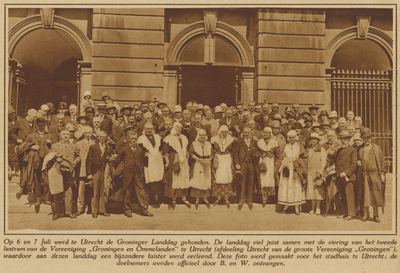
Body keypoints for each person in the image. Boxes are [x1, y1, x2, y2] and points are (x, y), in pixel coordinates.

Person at [44, 129, 80, 220]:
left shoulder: (74, 146)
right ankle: (56, 212)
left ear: (70, 136)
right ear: (60, 136)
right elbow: (49, 157)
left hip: (69, 171)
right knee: (57, 192)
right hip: (58, 172)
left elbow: (79, 156)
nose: (65, 136)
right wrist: (56, 159)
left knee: (69, 192)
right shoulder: (55, 146)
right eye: (63, 134)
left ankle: (68, 212)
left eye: (67, 134)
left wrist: (76, 160)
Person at [115, 132, 153, 217]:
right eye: (132, 138)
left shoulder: (140, 149)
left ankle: (144, 210)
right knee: (127, 191)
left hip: (137, 173)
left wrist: (146, 154)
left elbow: (143, 161)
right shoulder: (125, 149)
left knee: (141, 191)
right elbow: (118, 160)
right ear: (128, 139)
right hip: (127, 173)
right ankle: (127, 210)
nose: (133, 140)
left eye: (135, 138)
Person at [358, 128, 386, 223]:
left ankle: (376, 215)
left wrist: (382, 174)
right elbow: (357, 159)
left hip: (375, 175)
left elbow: (382, 161)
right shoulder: (360, 149)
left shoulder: (377, 148)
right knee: (366, 195)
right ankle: (366, 214)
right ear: (362, 139)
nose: (366, 140)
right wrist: (358, 162)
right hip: (365, 175)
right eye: (364, 138)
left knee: (375, 195)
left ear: (371, 138)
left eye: (368, 138)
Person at [278, 130, 308, 215]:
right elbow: (283, 156)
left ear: (296, 137)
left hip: (295, 168)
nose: (292, 139)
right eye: (290, 137)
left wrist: (297, 161)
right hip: (287, 168)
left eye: (293, 137)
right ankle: (286, 206)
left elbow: (304, 157)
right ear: (288, 138)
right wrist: (285, 161)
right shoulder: (286, 146)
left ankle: (297, 208)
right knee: (286, 186)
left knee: (296, 186)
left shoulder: (299, 146)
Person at [162, 122, 191, 209]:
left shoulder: (184, 138)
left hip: (183, 160)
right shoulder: (168, 138)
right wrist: (167, 162)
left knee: (183, 177)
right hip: (173, 159)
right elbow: (165, 152)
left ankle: (183, 197)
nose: (179, 129)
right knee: (175, 177)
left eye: (180, 128)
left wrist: (187, 160)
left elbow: (187, 150)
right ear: (174, 128)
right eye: (178, 128)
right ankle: (173, 199)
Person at [25, 117, 53, 206]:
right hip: (36, 162)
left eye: (43, 125)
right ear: (36, 126)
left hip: (48, 162)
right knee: (37, 181)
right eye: (39, 125)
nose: (41, 127)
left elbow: (57, 147)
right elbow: (24, 146)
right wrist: (31, 147)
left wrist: (51, 143)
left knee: (48, 180)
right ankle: (38, 199)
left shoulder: (50, 136)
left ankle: (47, 198)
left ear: (45, 125)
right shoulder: (31, 136)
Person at [86, 131, 114, 218]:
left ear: (106, 138)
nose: (102, 139)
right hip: (95, 171)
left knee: (103, 191)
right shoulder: (93, 147)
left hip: (104, 171)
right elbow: (88, 161)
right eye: (101, 137)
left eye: (104, 137)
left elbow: (109, 157)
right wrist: (89, 173)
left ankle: (102, 210)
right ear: (98, 138)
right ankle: (94, 211)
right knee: (95, 191)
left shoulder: (108, 148)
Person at [137, 123, 165, 207]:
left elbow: (161, 148)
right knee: (148, 178)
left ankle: (156, 198)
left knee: (157, 179)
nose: (149, 130)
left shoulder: (157, 137)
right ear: (144, 129)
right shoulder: (141, 138)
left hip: (157, 160)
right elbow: (140, 150)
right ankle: (148, 198)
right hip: (148, 159)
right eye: (147, 129)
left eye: (150, 129)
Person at [211, 125, 236, 208]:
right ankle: (218, 198)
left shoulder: (230, 140)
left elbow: (233, 151)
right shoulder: (214, 139)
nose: (224, 133)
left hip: (227, 159)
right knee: (218, 177)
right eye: (222, 132)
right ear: (219, 132)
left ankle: (226, 198)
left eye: (225, 132)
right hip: (218, 159)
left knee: (227, 177)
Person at [335, 131, 357, 220]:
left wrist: (346, 173)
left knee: (349, 195)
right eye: (342, 139)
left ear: (348, 140)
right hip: (340, 176)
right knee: (342, 195)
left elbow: (353, 164)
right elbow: (337, 162)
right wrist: (337, 174)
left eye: (345, 139)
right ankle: (345, 213)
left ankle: (351, 214)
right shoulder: (339, 150)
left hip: (348, 177)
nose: (343, 141)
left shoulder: (352, 150)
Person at [189, 129, 213, 209]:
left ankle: (205, 199)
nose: (203, 136)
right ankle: (197, 200)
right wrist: (200, 160)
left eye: (204, 135)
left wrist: (208, 160)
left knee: (205, 179)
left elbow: (212, 154)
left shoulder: (208, 144)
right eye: (201, 135)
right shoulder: (194, 143)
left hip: (206, 164)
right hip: (198, 163)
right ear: (198, 135)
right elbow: (191, 153)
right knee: (198, 180)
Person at [75, 127, 95, 216]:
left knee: (91, 190)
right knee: (81, 190)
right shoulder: (79, 143)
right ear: (84, 134)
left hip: (92, 170)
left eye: (89, 133)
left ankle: (91, 207)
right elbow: (76, 155)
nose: (87, 134)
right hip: (82, 169)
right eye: (86, 133)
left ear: (92, 134)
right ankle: (80, 208)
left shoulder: (95, 143)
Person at [257, 127, 280, 206]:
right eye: (264, 132)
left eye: (267, 132)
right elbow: (257, 153)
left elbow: (277, 154)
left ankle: (271, 198)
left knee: (271, 178)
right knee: (263, 179)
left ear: (270, 134)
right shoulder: (259, 142)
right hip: (262, 161)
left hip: (271, 162)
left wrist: (276, 162)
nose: (265, 134)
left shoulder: (274, 142)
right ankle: (264, 198)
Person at [305, 133, 327, 215]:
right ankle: (312, 208)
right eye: (312, 139)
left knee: (318, 191)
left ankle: (318, 208)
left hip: (317, 172)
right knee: (311, 190)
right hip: (310, 171)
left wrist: (320, 172)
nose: (313, 141)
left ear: (318, 141)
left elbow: (323, 161)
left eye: (315, 139)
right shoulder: (309, 149)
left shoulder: (321, 149)